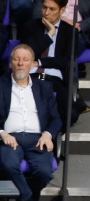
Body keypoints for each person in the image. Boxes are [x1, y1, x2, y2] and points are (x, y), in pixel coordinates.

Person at [0, 44, 62, 201]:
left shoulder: (44, 87)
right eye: (16, 59)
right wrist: (2, 133)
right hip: (10, 138)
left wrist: (48, 134)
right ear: (11, 63)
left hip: (38, 138)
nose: (20, 63)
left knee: (44, 172)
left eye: (25, 60)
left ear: (32, 64)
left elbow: (56, 118)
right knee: (9, 166)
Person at [22, 0, 84, 129]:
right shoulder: (31, 26)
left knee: (69, 115)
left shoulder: (70, 31)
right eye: (44, 8)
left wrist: (40, 62)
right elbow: (28, 53)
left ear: (62, 10)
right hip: (31, 75)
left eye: (52, 9)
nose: (46, 12)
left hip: (55, 77)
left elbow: (67, 60)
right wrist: (49, 35)